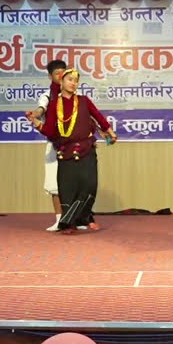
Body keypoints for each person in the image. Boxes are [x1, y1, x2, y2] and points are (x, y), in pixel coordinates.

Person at [32, 68, 117, 233]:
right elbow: (50, 131)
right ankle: (68, 224)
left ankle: (81, 219)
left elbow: (98, 116)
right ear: (62, 82)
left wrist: (111, 132)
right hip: (65, 152)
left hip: (86, 149)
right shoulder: (54, 105)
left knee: (89, 185)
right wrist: (35, 122)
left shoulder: (84, 100)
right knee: (68, 189)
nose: (73, 83)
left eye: (76, 81)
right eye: (69, 80)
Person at [26, 59, 67, 230]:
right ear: (50, 76)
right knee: (54, 185)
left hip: (74, 146)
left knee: (74, 184)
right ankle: (59, 220)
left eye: (63, 72)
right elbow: (41, 109)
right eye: (57, 73)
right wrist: (34, 115)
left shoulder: (75, 95)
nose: (61, 76)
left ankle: (75, 219)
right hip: (54, 145)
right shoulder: (47, 95)